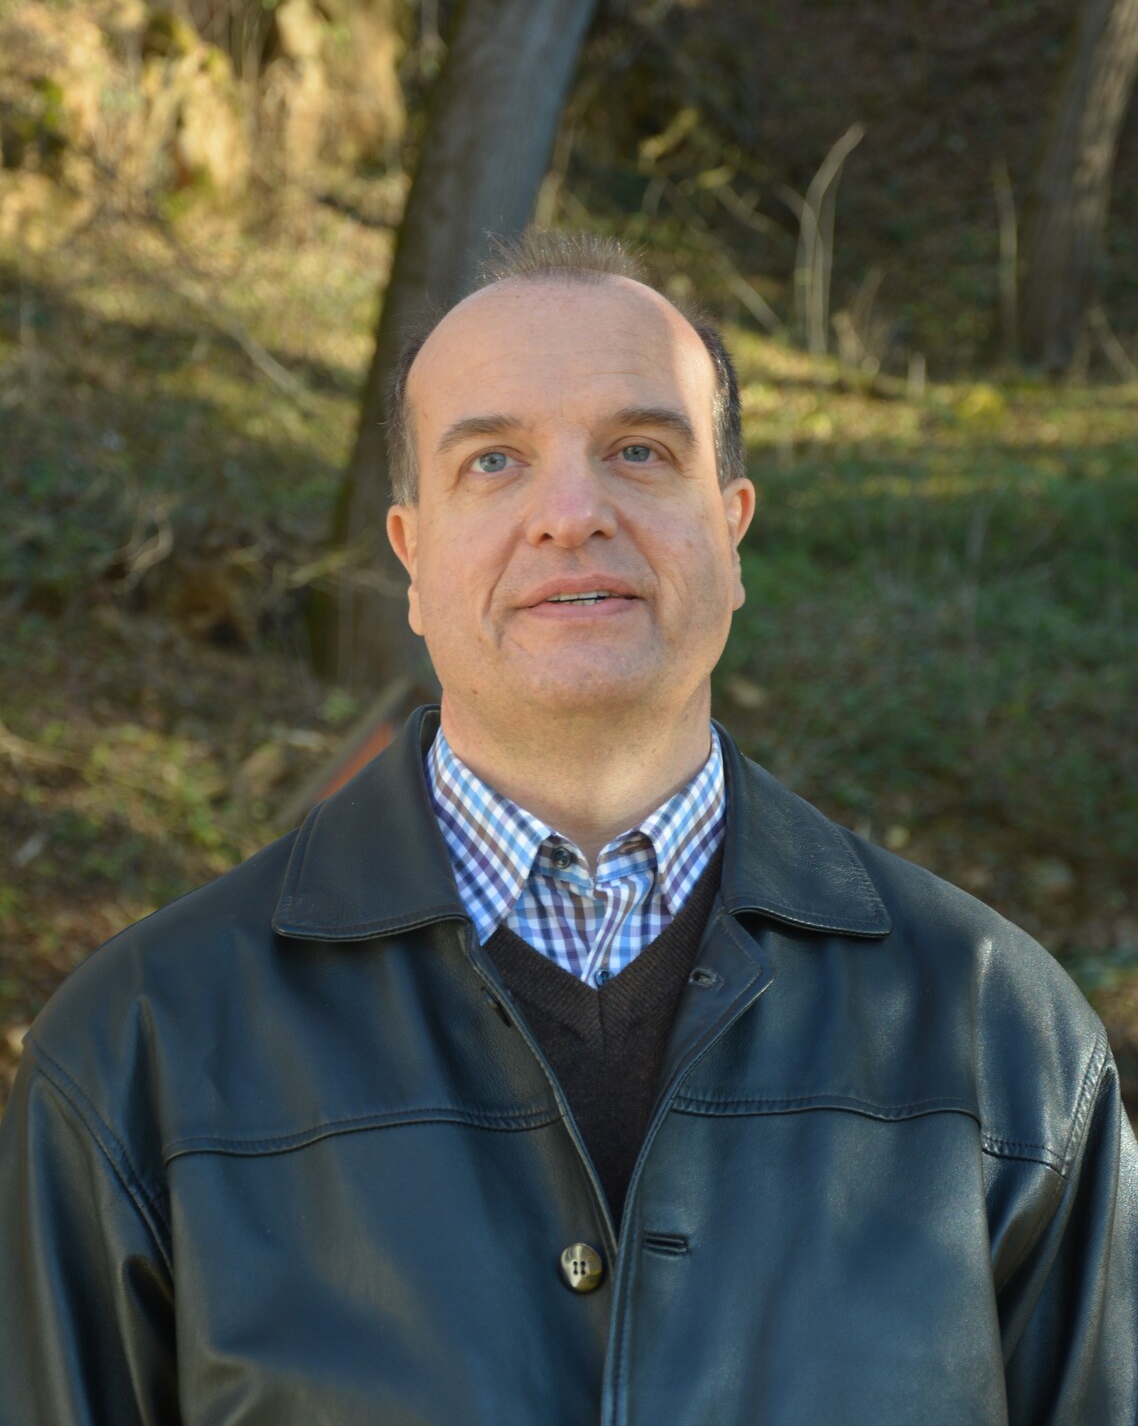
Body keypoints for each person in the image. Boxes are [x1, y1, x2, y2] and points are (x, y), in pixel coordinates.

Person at [1, 230, 1135, 1426]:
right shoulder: (141, 1052)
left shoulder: (998, 1036)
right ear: (411, 556)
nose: (571, 513)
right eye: (492, 461)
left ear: (731, 530)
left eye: (639, 451)